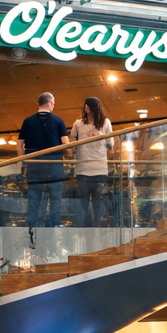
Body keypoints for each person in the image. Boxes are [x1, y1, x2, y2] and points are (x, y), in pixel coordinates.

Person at [17, 92, 69, 246]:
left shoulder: (28, 121)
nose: (54, 106)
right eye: (53, 103)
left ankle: (32, 239)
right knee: (55, 206)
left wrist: (24, 162)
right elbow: (67, 146)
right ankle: (53, 241)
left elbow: (19, 146)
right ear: (49, 103)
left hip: (34, 170)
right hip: (54, 171)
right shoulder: (58, 121)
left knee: (34, 204)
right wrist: (69, 155)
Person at [69, 97, 114, 226]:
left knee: (90, 201)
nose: (85, 108)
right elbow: (72, 143)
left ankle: (94, 226)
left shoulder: (105, 122)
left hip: (95, 168)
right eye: (85, 106)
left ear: (93, 107)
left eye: (87, 106)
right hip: (86, 168)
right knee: (90, 201)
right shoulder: (78, 123)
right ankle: (90, 225)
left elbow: (110, 144)